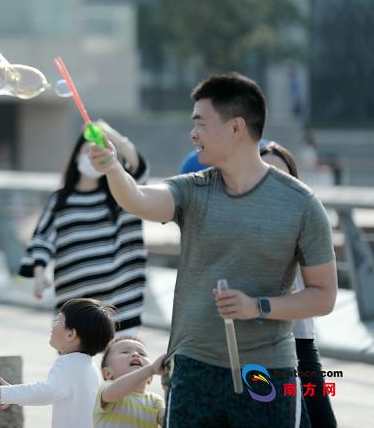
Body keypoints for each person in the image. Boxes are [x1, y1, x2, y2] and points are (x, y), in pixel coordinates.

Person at [88, 72, 337, 426]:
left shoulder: (302, 204)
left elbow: (324, 296)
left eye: (201, 124)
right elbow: (140, 199)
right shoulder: (192, 190)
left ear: (236, 128)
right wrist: (114, 169)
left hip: (266, 372)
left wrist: (258, 307)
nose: (193, 134)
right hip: (191, 369)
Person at [19, 120, 149, 335]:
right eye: (87, 150)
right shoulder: (60, 200)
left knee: (120, 361)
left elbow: (139, 167)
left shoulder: (121, 194)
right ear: (76, 156)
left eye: (98, 151)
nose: (93, 156)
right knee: (75, 362)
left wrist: (109, 134)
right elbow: (42, 238)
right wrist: (40, 272)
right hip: (74, 302)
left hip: (121, 303)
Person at [260, 141, 338, 428]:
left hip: (301, 344)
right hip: (257, 347)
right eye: (266, 173)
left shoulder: (307, 218)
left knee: (321, 421)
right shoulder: (241, 223)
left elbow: (323, 291)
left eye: (283, 176)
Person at [0, 298, 115, 428]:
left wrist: (5, 393)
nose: (53, 325)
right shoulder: (88, 365)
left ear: (70, 334)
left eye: (58, 321)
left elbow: (47, 392)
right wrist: (13, 393)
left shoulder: (67, 363)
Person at [95, 336, 166, 427]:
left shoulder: (155, 400)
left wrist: (168, 389)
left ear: (150, 378)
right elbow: (114, 391)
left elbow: (170, 422)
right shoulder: (105, 388)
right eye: (125, 351)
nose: (136, 354)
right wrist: (150, 369)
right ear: (108, 374)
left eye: (142, 354)